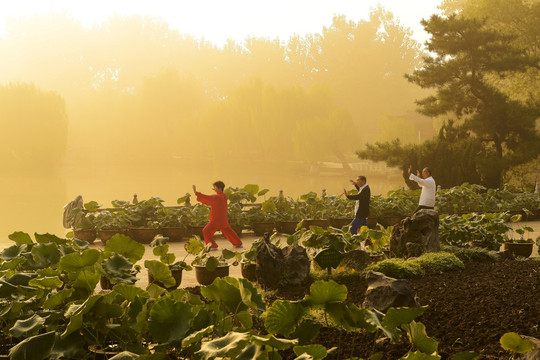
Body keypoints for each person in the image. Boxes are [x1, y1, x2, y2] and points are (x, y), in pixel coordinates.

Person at [192, 181, 243, 249]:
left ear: (220, 188)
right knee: (228, 231)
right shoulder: (224, 196)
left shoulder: (218, 197)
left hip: (216, 220)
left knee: (206, 230)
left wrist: (196, 192)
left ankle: (212, 245)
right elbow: (211, 199)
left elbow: (207, 197)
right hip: (223, 219)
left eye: (215, 187)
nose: (214, 189)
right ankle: (238, 243)